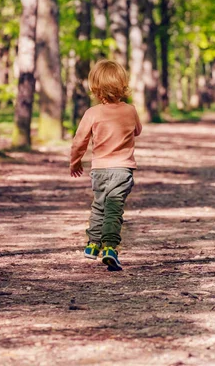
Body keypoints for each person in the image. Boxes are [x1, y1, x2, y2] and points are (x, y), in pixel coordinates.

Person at [70, 59, 142, 272]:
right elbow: (137, 131)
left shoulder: (92, 113)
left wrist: (75, 162)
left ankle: (92, 244)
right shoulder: (130, 110)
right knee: (114, 210)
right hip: (122, 170)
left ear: (95, 87)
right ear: (122, 85)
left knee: (99, 205)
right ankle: (110, 248)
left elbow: (79, 141)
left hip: (99, 170)